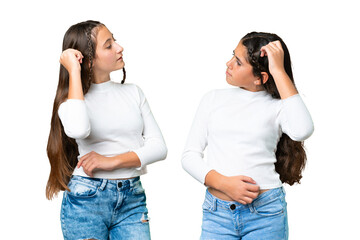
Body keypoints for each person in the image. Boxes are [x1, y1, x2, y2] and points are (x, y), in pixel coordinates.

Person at [182, 32, 314, 239]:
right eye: (232, 56)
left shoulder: (279, 107)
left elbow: (303, 129)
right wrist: (223, 183)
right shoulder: (213, 99)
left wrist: (278, 70)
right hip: (217, 215)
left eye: (238, 62)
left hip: (266, 214)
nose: (228, 63)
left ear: (260, 78)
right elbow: (189, 156)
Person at [46, 20, 167, 240]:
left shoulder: (133, 93)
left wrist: (111, 161)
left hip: (132, 198)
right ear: (88, 60)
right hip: (87, 199)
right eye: (109, 45)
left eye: (115, 41)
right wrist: (74, 70)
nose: (119, 48)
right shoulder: (72, 102)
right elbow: (79, 129)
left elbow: (159, 148)